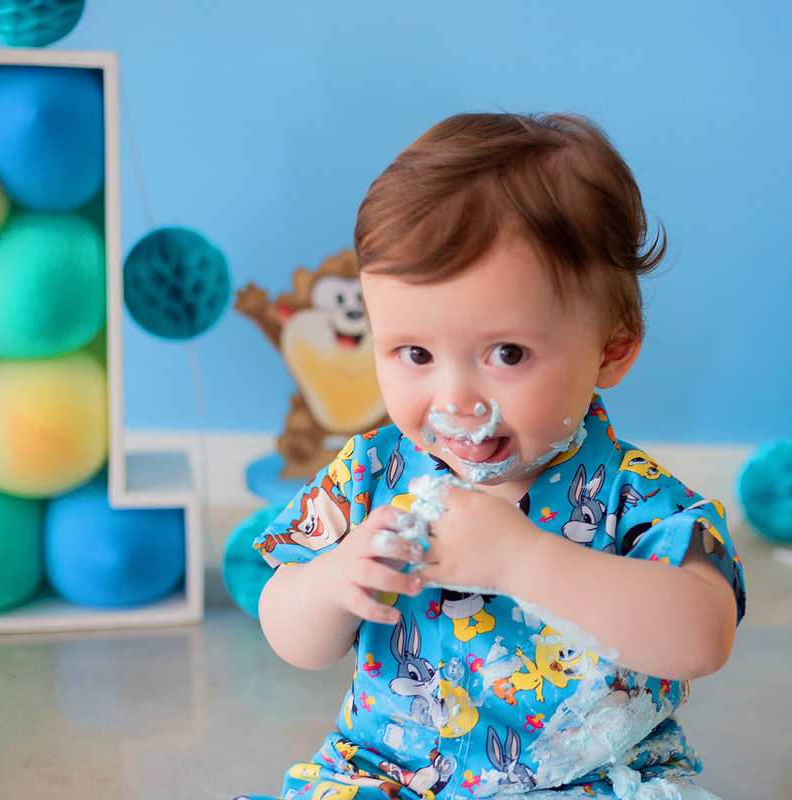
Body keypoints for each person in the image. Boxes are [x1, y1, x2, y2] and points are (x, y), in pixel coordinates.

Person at [241, 113, 745, 800]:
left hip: (588, 777)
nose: (454, 399)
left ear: (612, 348)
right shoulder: (371, 475)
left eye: (507, 354)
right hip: (391, 774)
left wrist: (524, 559)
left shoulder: (632, 496)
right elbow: (289, 633)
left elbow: (703, 635)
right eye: (414, 354)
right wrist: (334, 580)